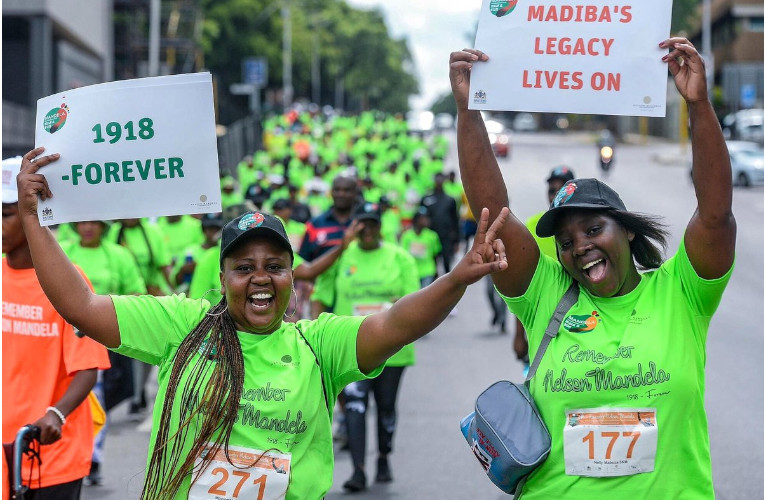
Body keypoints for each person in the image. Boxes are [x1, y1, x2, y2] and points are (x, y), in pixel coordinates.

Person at [15, 151, 509, 499]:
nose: (260, 279)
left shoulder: (320, 345)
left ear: (292, 277)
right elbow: (79, 305)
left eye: (275, 265)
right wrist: (33, 219)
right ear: (223, 276)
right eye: (243, 267)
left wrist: (458, 278)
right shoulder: (181, 325)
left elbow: (398, 322)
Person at [450, 38, 735, 498]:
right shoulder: (547, 293)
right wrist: (469, 111)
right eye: (564, 242)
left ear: (626, 231)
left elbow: (715, 213)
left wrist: (698, 105)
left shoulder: (682, 292)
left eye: (592, 229)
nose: (579, 247)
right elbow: (493, 215)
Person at [2, 156, 111, 499]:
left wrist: (56, 414)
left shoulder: (67, 280)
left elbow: (88, 368)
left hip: (49, 446)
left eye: (6, 214)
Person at [313, 202, 418, 491]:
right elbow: (321, 294)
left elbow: (414, 302)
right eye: (362, 224)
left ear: (381, 227)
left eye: (373, 224)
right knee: (355, 407)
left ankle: (383, 457)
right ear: (354, 227)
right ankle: (358, 470)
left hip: (392, 350)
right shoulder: (342, 258)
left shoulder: (400, 258)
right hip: (351, 349)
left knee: (386, 408)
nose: (367, 230)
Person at [60, 219, 147, 485]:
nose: (87, 227)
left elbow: (136, 294)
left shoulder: (119, 255)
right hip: (61, 339)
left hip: (101, 341)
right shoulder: (62, 251)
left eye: (94, 223)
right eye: (82, 223)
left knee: (95, 399)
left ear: (103, 227)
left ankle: (93, 458)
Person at [512, 166, 576, 362]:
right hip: (542, 326)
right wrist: (519, 335)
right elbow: (524, 284)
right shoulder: (533, 227)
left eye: (561, 191)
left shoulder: (585, 229)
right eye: (551, 191)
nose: (555, 196)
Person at [299, 174, 358, 317]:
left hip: (357, 296)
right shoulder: (315, 224)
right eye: (337, 189)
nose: (341, 194)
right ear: (331, 192)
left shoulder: (363, 223)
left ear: (355, 193)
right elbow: (304, 262)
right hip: (322, 300)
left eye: (347, 190)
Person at [420, 172, 460, 275]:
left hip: (446, 236)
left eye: (441, 180)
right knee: (432, 263)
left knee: (447, 262)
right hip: (430, 236)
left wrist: (457, 240)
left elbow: (455, 220)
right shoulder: (426, 199)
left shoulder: (450, 200)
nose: (439, 182)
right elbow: (421, 215)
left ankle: (448, 286)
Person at [400, 208, 442, 288]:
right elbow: (404, 254)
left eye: (427, 217)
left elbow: (435, 254)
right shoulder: (407, 236)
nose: (426, 220)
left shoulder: (432, 236)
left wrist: (436, 270)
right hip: (412, 271)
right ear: (416, 220)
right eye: (423, 218)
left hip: (427, 271)